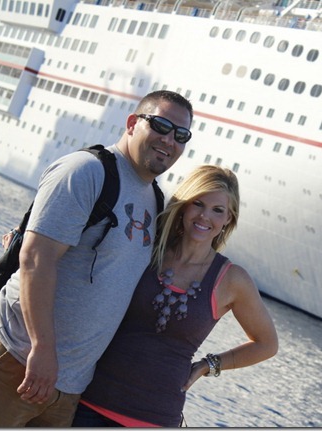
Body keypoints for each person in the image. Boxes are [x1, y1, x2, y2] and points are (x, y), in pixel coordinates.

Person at [0, 90, 194, 427]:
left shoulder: (155, 200)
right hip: (15, 356)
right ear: (132, 123)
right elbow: (36, 260)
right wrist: (41, 349)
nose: (169, 140)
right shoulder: (86, 171)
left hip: (69, 386)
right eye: (160, 125)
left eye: (181, 135)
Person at [72, 165, 279, 427]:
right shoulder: (147, 247)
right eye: (198, 204)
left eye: (217, 210)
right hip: (90, 400)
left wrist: (208, 365)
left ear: (229, 218)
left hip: (156, 417)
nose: (205, 216)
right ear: (184, 205)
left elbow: (266, 344)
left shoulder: (232, 279)